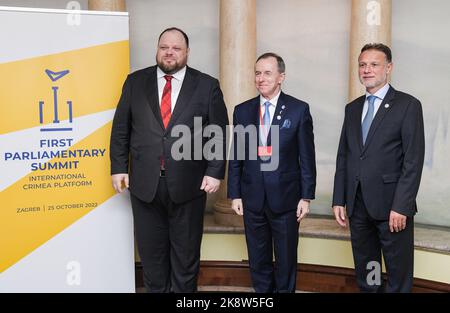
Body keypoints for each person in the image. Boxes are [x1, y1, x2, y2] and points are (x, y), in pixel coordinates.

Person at [110, 27, 228, 292]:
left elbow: (218, 133)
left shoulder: (207, 85)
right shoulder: (135, 82)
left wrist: (215, 171)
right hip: (144, 187)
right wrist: (118, 167)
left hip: (190, 186)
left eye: (176, 48)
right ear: (157, 49)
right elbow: (120, 129)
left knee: (185, 260)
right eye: (164, 47)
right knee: (152, 260)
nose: (169, 52)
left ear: (187, 52)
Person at [332, 43, 425, 292]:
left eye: (374, 64)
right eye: (362, 65)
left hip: (392, 209)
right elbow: (345, 156)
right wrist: (339, 199)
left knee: (398, 273)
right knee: (368, 270)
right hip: (358, 207)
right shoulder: (352, 109)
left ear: (389, 68)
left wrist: (401, 206)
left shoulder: (407, 105)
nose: (367, 70)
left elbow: (413, 161)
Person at [228, 53, 316, 293]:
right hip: (252, 200)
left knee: (286, 262)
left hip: (286, 200)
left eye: (267, 72)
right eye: (257, 72)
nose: (261, 78)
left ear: (281, 77)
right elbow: (236, 155)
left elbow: (307, 158)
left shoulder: (299, 110)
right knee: (258, 261)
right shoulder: (242, 111)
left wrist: (306, 197)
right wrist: (235, 194)